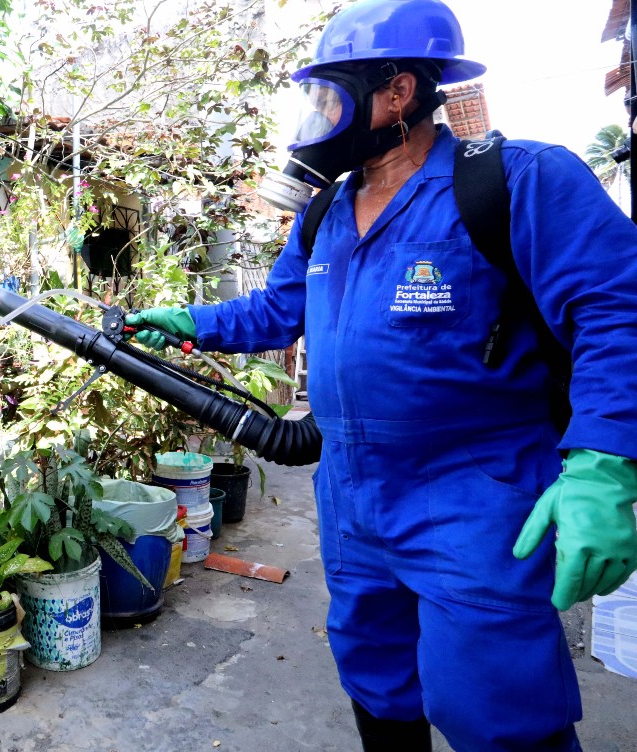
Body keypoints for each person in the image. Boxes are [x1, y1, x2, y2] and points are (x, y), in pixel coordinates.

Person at [127, 1, 637, 750]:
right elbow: (278, 309)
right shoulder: (328, 211)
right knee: (377, 679)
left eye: (331, 96)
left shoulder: (510, 182)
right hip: (352, 497)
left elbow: (617, 308)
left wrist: (602, 461)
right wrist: (192, 322)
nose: (318, 116)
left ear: (397, 93)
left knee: (495, 707)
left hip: (475, 495)